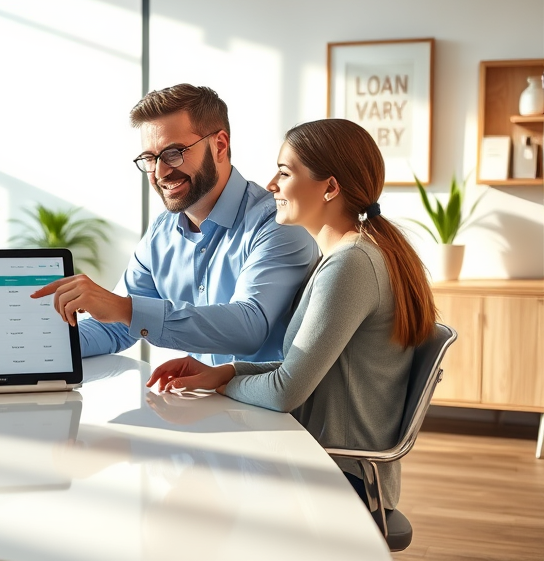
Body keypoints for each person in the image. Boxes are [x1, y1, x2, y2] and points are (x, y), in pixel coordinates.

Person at [146, 118, 437, 511]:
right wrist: (225, 372)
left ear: (330, 187)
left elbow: (285, 392)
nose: (271, 185)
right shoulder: (347, 255)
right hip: (318, 461)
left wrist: (218, 386)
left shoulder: (350, 264)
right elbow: (298, 367)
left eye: (284, 172)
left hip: (337, 477)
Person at [32, 84, 318, 364]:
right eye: (149, 157)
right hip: (194, 403)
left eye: (173, 153)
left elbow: (249, 328)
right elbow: (116, 324)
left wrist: (124, 308)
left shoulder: (278, 222)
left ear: (219, 145)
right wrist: (38, 349)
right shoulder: (161, 232)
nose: (159, 172)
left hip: (262, 409)